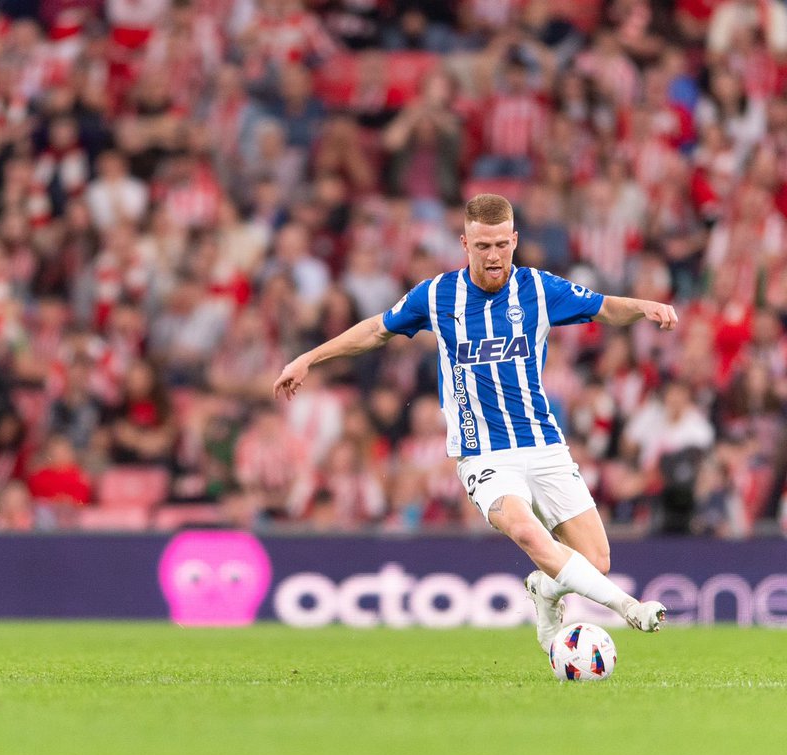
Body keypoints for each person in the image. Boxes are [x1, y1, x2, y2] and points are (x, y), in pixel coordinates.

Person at [273, 194, 676, 652]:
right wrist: (310, 357)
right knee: (527, 531)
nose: (493, 256)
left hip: (543, 444)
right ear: (465, 243)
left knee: (596, 560)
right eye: (483, 246)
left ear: (515, 240)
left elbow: (604, 307)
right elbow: (375, 330)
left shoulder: (539, 290)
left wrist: (643, 305)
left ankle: (544, 591)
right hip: (482, 454)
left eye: (502, 244)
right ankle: (631, 609)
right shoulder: (437, 295)